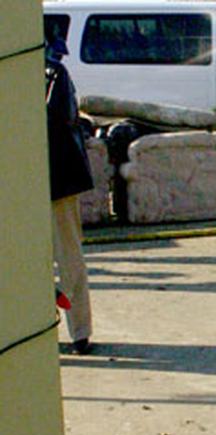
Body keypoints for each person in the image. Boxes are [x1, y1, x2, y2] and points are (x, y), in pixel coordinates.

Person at [45, 38, 95, 355]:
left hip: (58, 177)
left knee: (69, 257)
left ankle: (80, 331)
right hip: (40, 178)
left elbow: (56, 119)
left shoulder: (53, 74)